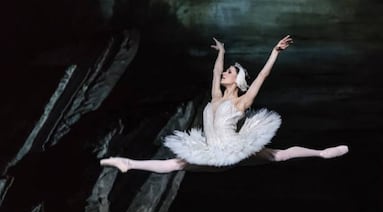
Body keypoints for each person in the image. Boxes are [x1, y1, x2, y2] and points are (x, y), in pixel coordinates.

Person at [100, 35, 348, 173]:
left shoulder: (242, 100)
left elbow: (262, 76)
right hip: (211, 151)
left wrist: (275, 52)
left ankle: (322, 153)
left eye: (229, 71)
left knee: (279, 155)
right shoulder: (216, 97)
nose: (223, 73)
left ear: (237, 80)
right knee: (176, 164)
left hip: (233, 150)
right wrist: (221, 53)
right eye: (225, 70)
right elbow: (214, 71)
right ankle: (128, 163)